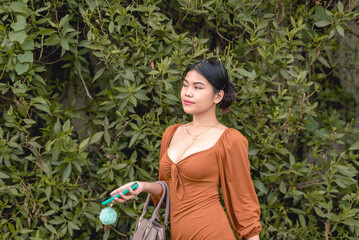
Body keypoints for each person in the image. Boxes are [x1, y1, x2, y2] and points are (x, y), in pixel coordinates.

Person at [110, 59, 262, 240]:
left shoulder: (229, 139)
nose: (188, 93)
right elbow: (171, 189)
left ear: (218, 96)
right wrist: (143, 187)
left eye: (198, 87)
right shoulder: (172, 133)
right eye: (185, 85)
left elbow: (243, 201)